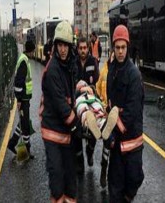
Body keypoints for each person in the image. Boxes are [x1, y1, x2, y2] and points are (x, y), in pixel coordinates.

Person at [39, 21, 78, 203]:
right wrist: (78, 125)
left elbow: (71, 92)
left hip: (66, 131)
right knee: (56, 178)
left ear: (70, 47)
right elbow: (62, 106)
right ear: (55, 46)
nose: (63, 50)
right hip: (53, 130)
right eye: (60, 45)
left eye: (66, 45)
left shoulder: (70, 66)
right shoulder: (53, 69)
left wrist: (83, 89)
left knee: (71, 179)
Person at [107, 25, 145, 202]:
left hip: (131, 141)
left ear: (127, 47)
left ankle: (128, 197)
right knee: (114, 186)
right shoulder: (111, 71)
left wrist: (113, 130)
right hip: (116, 143)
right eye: (117, 47)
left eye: (123, 47)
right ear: (113, 48)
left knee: (135, 178)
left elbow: (132, 111)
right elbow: (110, 102)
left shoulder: (134, 75)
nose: (120, 51)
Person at [74, 37, 100, 172]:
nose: (83, 50)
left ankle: (90, 151)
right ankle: (79, 160)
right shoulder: (74, 62)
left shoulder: (93, 62)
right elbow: (71, 81)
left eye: (85, 48)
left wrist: (89, 88)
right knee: (76, 130)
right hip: (77, 99)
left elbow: (96, 80)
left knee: (93, 128)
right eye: (81, 48)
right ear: (77, 49)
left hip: (90, 98)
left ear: (88, 48)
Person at [7, 40, 35, 161]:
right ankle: (26, 151)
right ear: (31, 51)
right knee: (25, 125)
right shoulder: (24, 61)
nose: (34, 53)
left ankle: (12, 144)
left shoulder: (24, 59)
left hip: (24, 98)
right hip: (22, 99)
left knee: (24, 122)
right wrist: (18, 99)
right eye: (33, 51)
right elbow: (19, 82)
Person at [95, 50, 115, 188]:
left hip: (116, 114)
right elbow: (97, 89)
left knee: (115, 147)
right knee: (107, 143)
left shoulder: (122, 73)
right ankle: (104, 170)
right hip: (104, 111)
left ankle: (112, 175)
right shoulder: (103, 72)